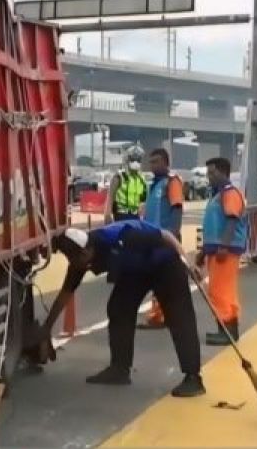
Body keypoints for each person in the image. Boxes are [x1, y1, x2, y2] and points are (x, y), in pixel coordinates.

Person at [46, 221, 204, 397]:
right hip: (135, 269)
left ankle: (193, 377)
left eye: (79, 260)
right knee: (118, 307)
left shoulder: (124, 236)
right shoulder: (79, 259)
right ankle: (120, 369)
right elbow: (66, 293)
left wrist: (189, 264)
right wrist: (46, 329)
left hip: (163, 262)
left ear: (88, 250)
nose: (79, 266)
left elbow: (166, 235)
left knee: (179, 315)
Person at [199, 157, 246, 345]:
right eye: (208, 173)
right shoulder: (218, 194)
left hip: (224, 251)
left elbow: (232, 220)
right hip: (217, 250)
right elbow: (213, 226)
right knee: (224, 290)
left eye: (212, 172)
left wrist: (224, 246)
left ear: (223, 172)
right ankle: (229, 330)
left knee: (219, 291)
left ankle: (226, 332)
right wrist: (204, 251)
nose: (209, 177)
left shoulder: (229, 193)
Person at [139, 148, 184, 329]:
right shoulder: (155, 184)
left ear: (166, 162)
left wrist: (173, 233)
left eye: (156, 161)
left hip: (165, 239)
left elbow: (177, 208)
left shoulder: (171, 183)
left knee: (164, 278)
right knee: (157, 278)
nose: (153, 165)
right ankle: (158, 315)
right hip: (153, 239)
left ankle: (163, 316)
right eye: (151, 162)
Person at [104, 145, 147, 224]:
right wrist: (107, 215)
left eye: (138, 159)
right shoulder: (119, 177)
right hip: (121, 216)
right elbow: (110, 198)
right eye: (133, 159)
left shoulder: (142, 179)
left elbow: (143, 201)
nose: (136, 161)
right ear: (127, 160)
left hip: (136, 216)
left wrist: (144, 216)